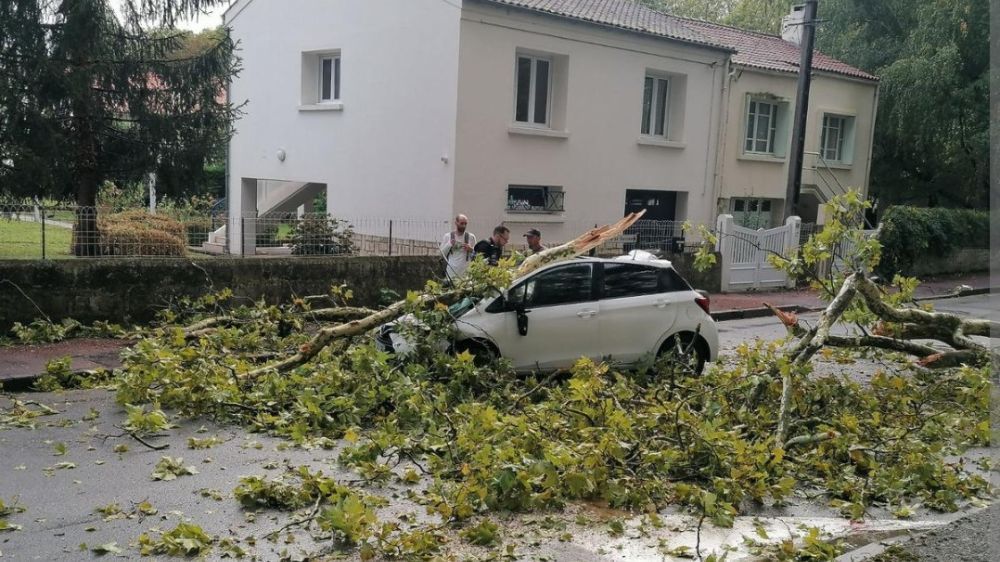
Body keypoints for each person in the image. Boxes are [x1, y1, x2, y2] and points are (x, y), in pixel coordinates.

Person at [440, 214, 476, 282]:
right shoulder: (447, 236)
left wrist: (471, 249)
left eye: (465, 224)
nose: (464, 226)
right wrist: (449, 244)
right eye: (462, 223)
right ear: (456, 223)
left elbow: (477, 254)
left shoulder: (471, 237)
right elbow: (441, 254)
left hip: (466, 273)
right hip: (452, 272)